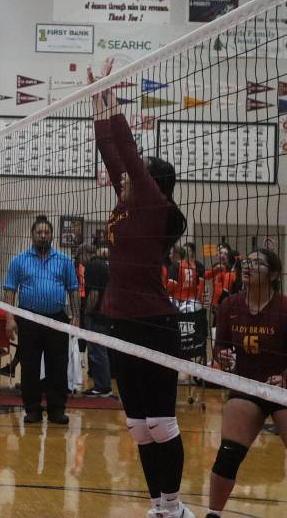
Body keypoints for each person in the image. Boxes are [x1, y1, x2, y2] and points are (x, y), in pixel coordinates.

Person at [91, 59, 191, 518]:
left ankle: (174, 506)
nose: (125, 177)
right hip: (122, 322)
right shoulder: (126, 202)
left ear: (154, 184)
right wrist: (99, 101)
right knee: (137, 426)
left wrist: (116, 98)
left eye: (138, 174)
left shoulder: (153, 206)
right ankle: (158, 505)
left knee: (161, 422)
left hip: (155, 323)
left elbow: (127, 152)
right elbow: (113, 155)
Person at [207, 248, 287, 518]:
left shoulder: (285, 308)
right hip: (247, 386)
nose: (248, 266)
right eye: (247, 262)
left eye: (258, 263)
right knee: (228, 454)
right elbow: (219, 347)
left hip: (282, 389)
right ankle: (213, 514)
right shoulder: (230, 305)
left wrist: (284, 378)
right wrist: (224, 358)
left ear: (274, 274)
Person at [3, 215, 80, 424]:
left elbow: (73, 290)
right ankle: (32, 408)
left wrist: (76, 317)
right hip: (28, 319)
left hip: (57, 318)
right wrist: (9, 319)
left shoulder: (64, 260)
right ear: (32, 236)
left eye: (46, 232)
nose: (43, 235)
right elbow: (9, 291)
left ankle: (57, 409)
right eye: (39, 232)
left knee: (58, 366)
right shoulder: (19, 260)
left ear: (52, 235)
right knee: (30, 366)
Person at [79, 244, 112, 398]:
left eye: (80, 257)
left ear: (85, 254)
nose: (80, 262)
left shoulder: (92, 267)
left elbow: (93, 293)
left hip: (96, 315)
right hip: (105, 313)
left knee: (96, 351)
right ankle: (103, 385)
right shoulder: (103, 265)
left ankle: (102, 387)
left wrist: (87, 312)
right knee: (100, 350)